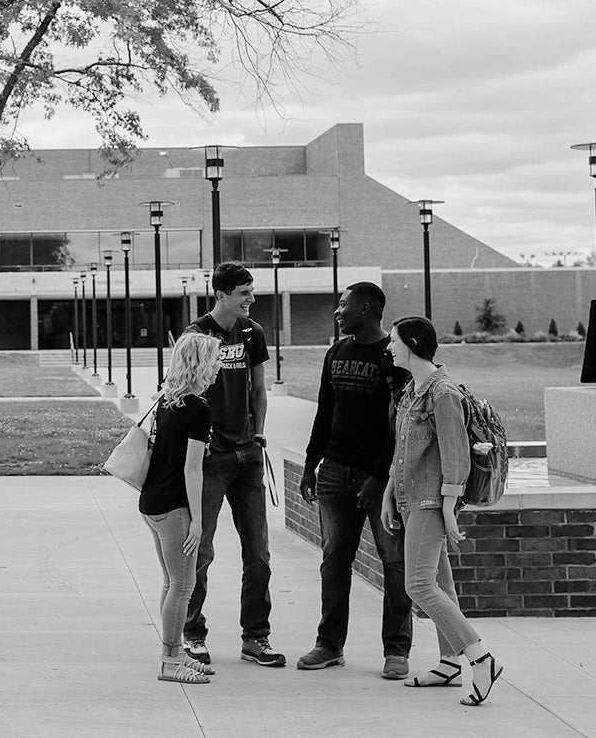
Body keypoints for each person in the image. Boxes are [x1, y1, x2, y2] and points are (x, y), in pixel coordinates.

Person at [381, 315, 504, 706]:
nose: (389, 348)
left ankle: (479, 657)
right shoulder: (412, 390)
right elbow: (403, 450)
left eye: (394, 341)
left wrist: (450, 510)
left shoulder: (443, 393)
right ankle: (449, 662)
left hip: (432, 500)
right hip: (410, 496)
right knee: (442, 585)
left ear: (412, 344)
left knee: (418, 584)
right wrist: (389, 494)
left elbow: (456, 458)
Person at [297, 283, 414, 679]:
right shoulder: (336, 352)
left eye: (343, 306)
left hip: (377, 480)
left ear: (367, 309)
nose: (337, 312)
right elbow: (323, 413)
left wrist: (378, 479)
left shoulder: (393, 359)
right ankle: (329, 645)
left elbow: (400, 427)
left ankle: (396, 650)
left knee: (394, 563)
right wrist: (312, 463)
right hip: (333, 472)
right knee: (334, 562)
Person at [181, 262, 282, 668]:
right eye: (244, 293)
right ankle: (192, 633)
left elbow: (259, 390)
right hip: (209, 458)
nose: (251, 299)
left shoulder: (252, 333)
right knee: (200, 551)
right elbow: (183, 392)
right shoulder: (195, 334)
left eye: (251, 291)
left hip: (247, 455)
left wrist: (258, 435)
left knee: (258, 552)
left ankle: (256, 638)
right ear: (221, 294)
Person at [139, 332, 224, 684]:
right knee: (183, 586)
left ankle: (170, 654)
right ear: (201, 364)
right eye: (215, 360)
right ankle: (171, 662)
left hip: (152, 503)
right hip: (174, 507)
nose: (219, 367)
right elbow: (192, 468)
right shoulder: (198, 409)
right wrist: (198, 522)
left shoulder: (167, 400)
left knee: (171, 582)